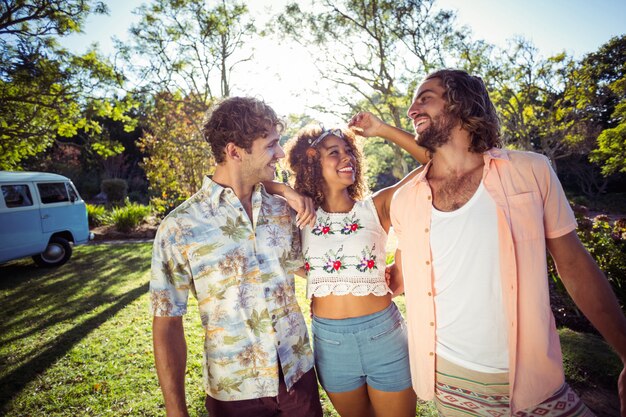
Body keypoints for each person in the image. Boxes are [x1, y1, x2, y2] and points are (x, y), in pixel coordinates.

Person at [380, 69, 626, 415]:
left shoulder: (531, 171)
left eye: (425, 98)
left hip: (532, 382)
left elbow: (573, 264)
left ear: (460, 102)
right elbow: (403, 277)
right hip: (448, 381)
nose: (412, 110)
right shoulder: (406, 198)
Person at [149, 96, 322, 417]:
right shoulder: (179, 227)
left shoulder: (283, 209)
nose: (281, 153)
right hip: (234, 390)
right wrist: (176, 410)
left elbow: (306, 267)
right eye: (271, 145)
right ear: (234, 152)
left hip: (297, 376)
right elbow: (167, 323)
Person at [270, 119, 429, 417]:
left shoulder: (377, 206)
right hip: (331, 345)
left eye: (349, 151)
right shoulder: (298, 215)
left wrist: (382, 129)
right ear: (311, 161)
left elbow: (434, 160)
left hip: (385, 337)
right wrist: (287, 191)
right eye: (334, 152)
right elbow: (248, 184)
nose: (347, 158)